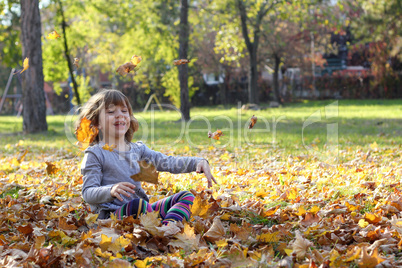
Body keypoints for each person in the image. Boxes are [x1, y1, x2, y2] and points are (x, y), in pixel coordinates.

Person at [76, 89, 217, 224]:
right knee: (138, 205)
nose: (120, 115)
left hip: (144, 211)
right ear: (96, 122)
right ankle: (157, 226)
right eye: (111, 112)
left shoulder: (138, 150)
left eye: (124, 111)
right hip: (112, 216)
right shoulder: (95, 154)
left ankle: (168, 229)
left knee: (187, 197)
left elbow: (167, 162)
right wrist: (110, 190)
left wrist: (197, 162)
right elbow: (88, 192)